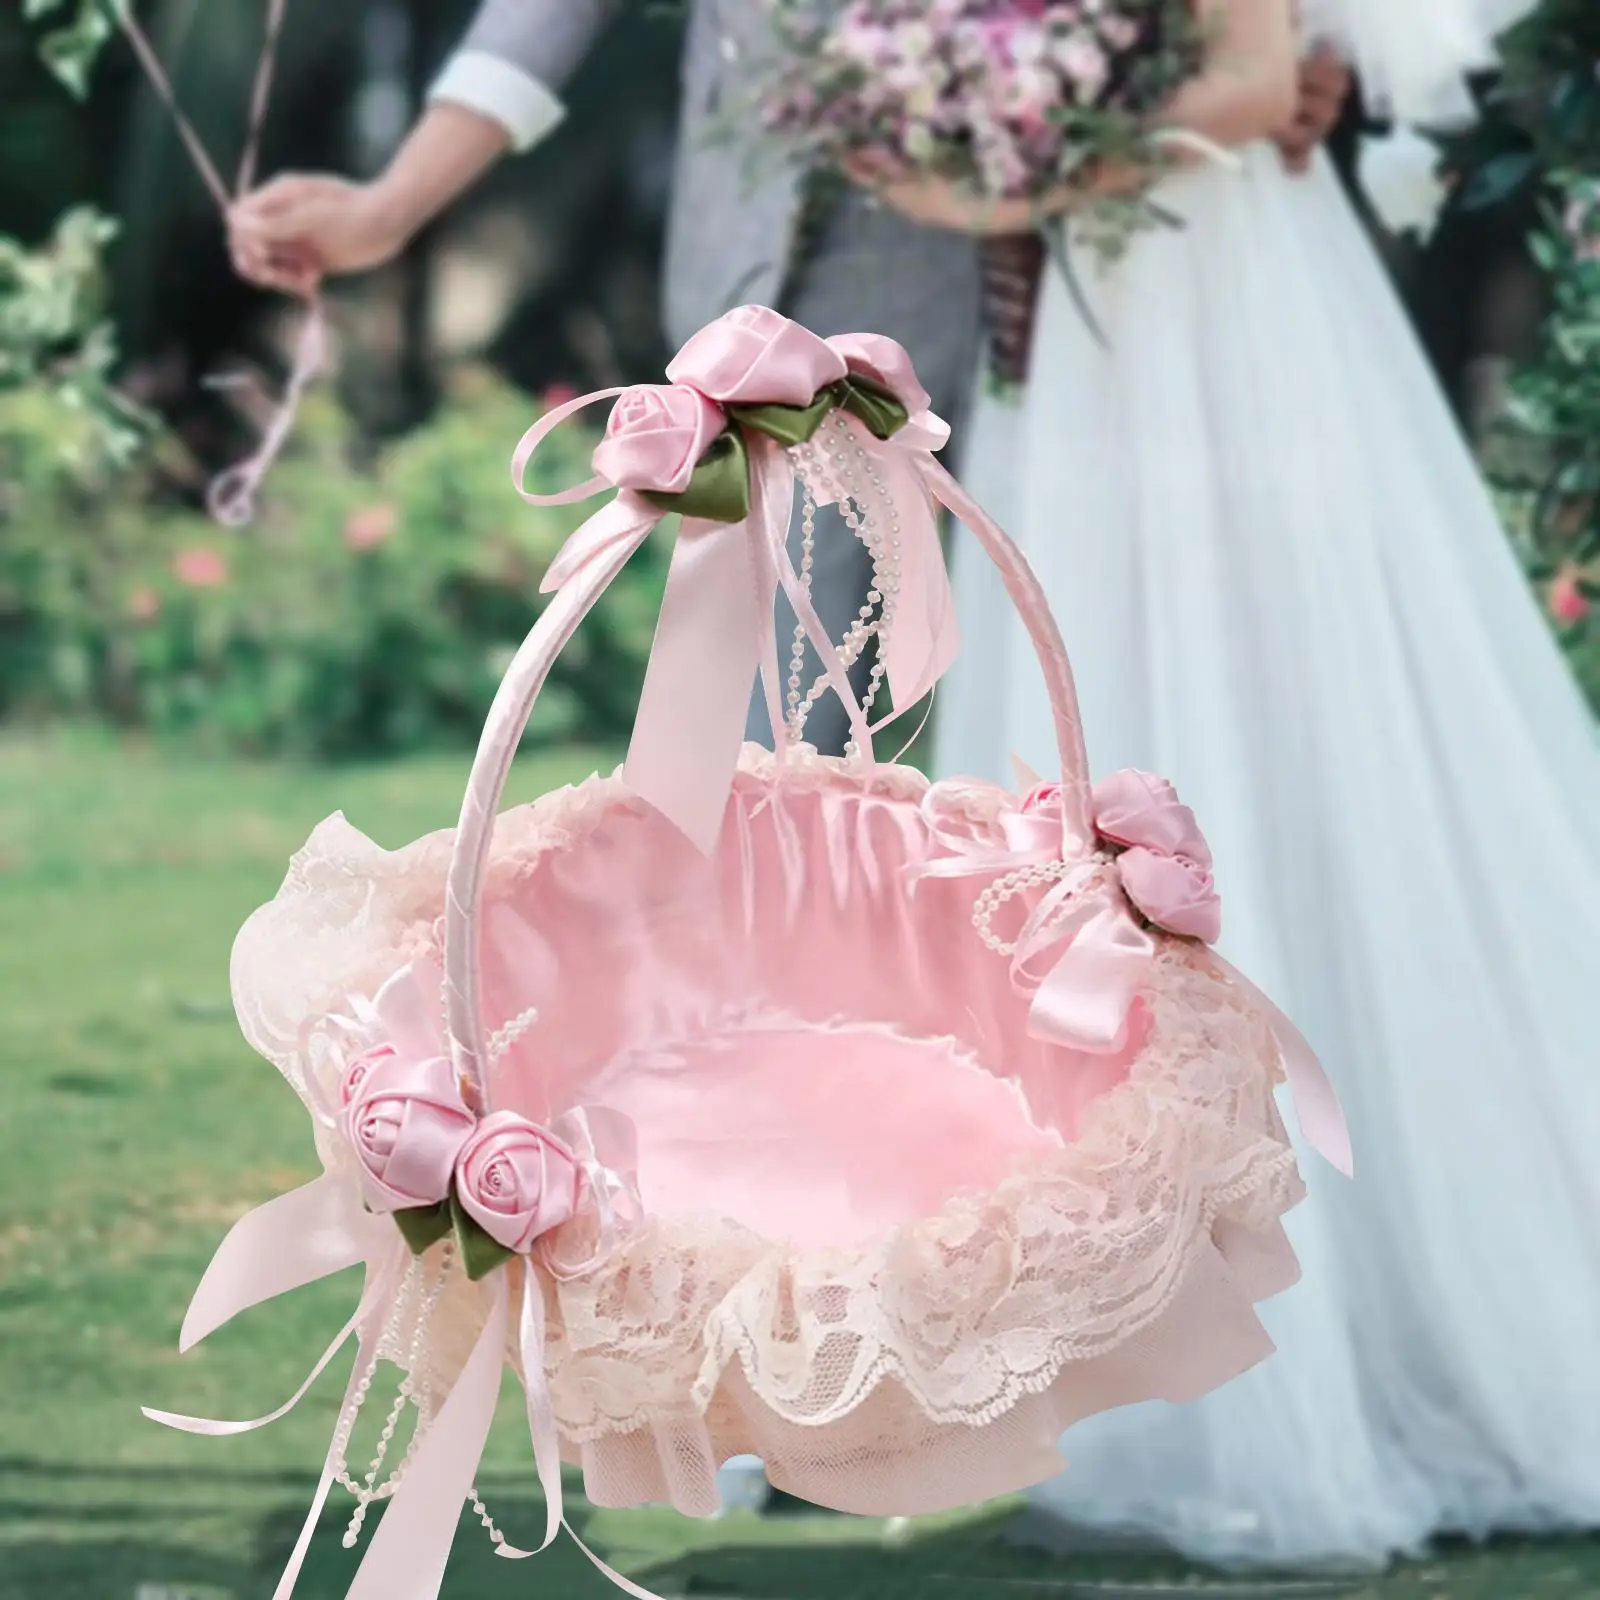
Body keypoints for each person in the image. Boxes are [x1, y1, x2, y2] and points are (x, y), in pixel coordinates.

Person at [226, 0, 1350, 1522]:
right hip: (755, 307)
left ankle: (988, 1333)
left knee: (1006, 800)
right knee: (766, 801)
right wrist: (389, 201)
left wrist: (1219, 87)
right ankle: (765, 1369)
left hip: (1028, 315)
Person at [925, 0, 1600, 1571]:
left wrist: (1016, 187)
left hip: (1218, 301)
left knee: (1264, 713)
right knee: (1101, 714)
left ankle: (1370, 1331)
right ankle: (1131, 1321)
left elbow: (1243, 78)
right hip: (1101, 317)